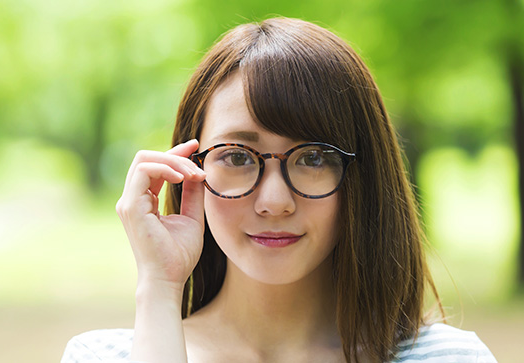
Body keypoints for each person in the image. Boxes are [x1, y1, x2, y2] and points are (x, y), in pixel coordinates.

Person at [61, 17, 497, 362]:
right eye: (236, 156)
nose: (274, 202)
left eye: (312, 158)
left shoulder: (449, 358)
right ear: (189, 168)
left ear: (362, 177)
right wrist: (158, 285)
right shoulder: (102, 356)